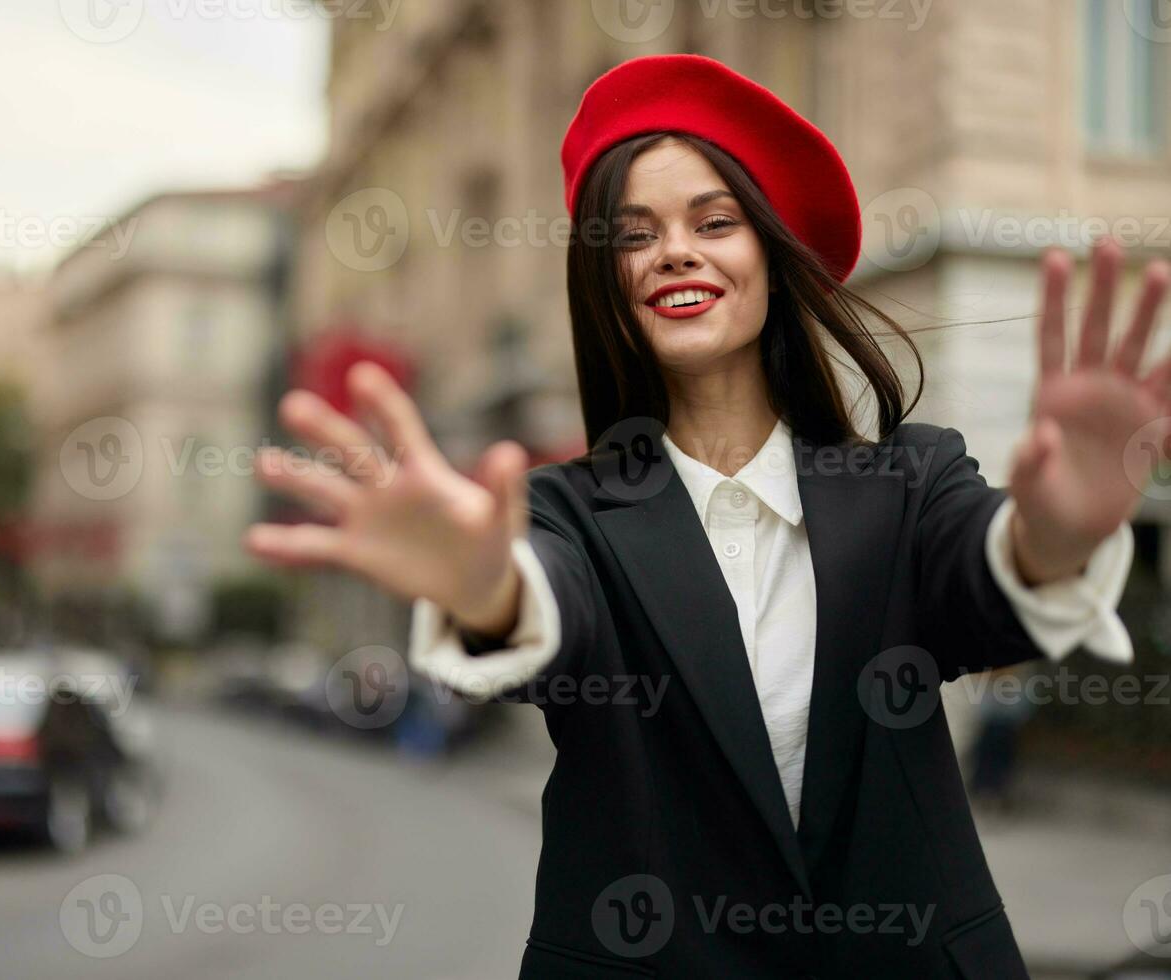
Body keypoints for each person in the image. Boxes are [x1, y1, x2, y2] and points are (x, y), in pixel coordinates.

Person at [244, 54, 1169, 978]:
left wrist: (1061, 526)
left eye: (714, 222)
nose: (674, 252)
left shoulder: (911, 480)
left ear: (770, 254)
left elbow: (990, 569)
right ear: (606, 282)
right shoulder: (566, 514)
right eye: (634, 234)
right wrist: (488, 586)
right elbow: (546, 600)